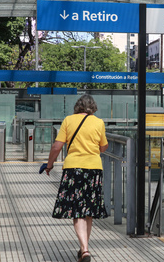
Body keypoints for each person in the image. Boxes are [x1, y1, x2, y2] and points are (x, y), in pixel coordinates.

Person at [45, 95, 109, 262]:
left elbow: (57, 146)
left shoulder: (69, 120)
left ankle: (85, 249)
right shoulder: (99, 122)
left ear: (77, 106)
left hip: (74, 169)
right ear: (93, 107)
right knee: (88, 211)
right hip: (94, 169)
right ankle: (83, 250)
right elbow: (103, 147)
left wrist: (49, 165)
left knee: (77, 210)